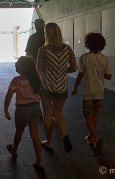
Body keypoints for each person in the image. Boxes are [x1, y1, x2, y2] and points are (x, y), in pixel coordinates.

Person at [36, 22, 77, 153]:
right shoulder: (68, 49)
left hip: (47, 87)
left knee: (47, 114)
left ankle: (49, 142)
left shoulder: (43, 50)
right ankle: (64, 134)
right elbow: (74, 68)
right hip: (62, 86)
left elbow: (39, 70)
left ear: (46, 34)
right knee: (58, 113)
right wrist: (62, 71)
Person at [71, 32, 111, 156]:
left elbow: (81, 74)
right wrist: (99, 73)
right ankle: (91, 137)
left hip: (88, 91)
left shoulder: (84, 57)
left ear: (88, 44)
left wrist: (75, 87)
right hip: (99, 91)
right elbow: (108, 76)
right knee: (94, 115)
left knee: (87, 116)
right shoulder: (104, 58)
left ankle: (96, 137)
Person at [4, 56, 43, 171]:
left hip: (22, 110)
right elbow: (40, 92)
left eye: (17, 63)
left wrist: (6, 110)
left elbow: (9, 95)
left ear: (23, 68)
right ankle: (39, 160)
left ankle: (14, 148)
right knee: (35, 134)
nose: (15, 64)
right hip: (35, 108)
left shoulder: (16, 80)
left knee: (19, 131)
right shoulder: (36, 79)